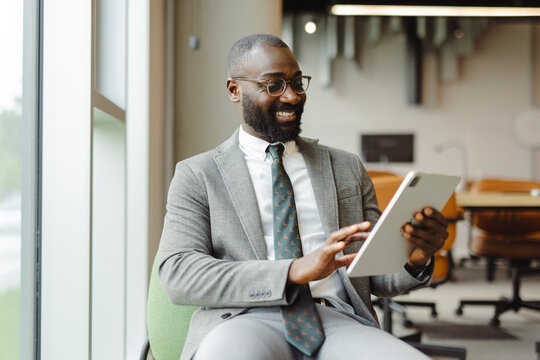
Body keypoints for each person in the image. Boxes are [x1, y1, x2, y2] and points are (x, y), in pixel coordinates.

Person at [158, 34, 449, 360]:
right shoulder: (198, 174)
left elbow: (377, 274)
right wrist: (293, 270)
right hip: (243, 319)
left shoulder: (345, 167)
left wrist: (416, 255)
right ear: (234, 90)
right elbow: (179, 273)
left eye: (297, 82)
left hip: (337, 318)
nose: (292, 96)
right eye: (274, 85)